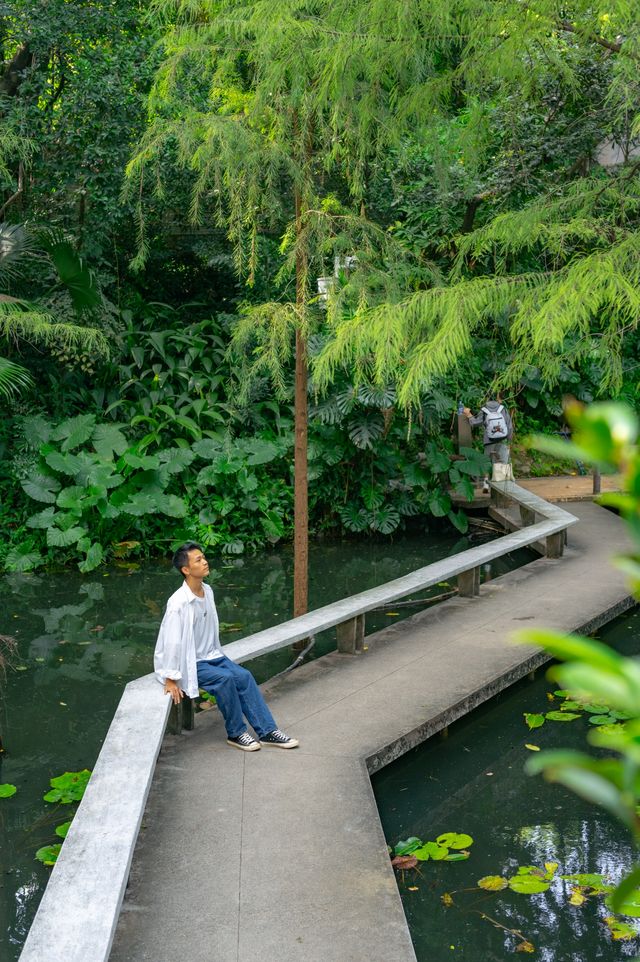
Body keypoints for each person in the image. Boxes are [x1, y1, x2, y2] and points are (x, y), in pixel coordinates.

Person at [154, 542, 299, 752]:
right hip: (190, 662)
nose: (205, 562)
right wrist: (170, 677)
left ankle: (267, 731)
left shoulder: (208, 590)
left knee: (244, 676)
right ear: (186, 570)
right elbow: (172, 641)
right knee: (226, 679)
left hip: (212, 656)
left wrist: (217, 656)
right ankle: (236, 733)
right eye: (198, 560)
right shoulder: (178, 603)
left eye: (204, 558)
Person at [463, 397, 513, 493]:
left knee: (487, 463)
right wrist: (509, 440)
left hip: (489, 441)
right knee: (502, 462)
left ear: (487, 400)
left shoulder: (484, 410)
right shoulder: (503, 409)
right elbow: (509, 426)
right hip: (502, 440)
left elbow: (475, 423)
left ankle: (486, 483)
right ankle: (503, 488)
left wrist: (468, 414)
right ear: (497, 400)